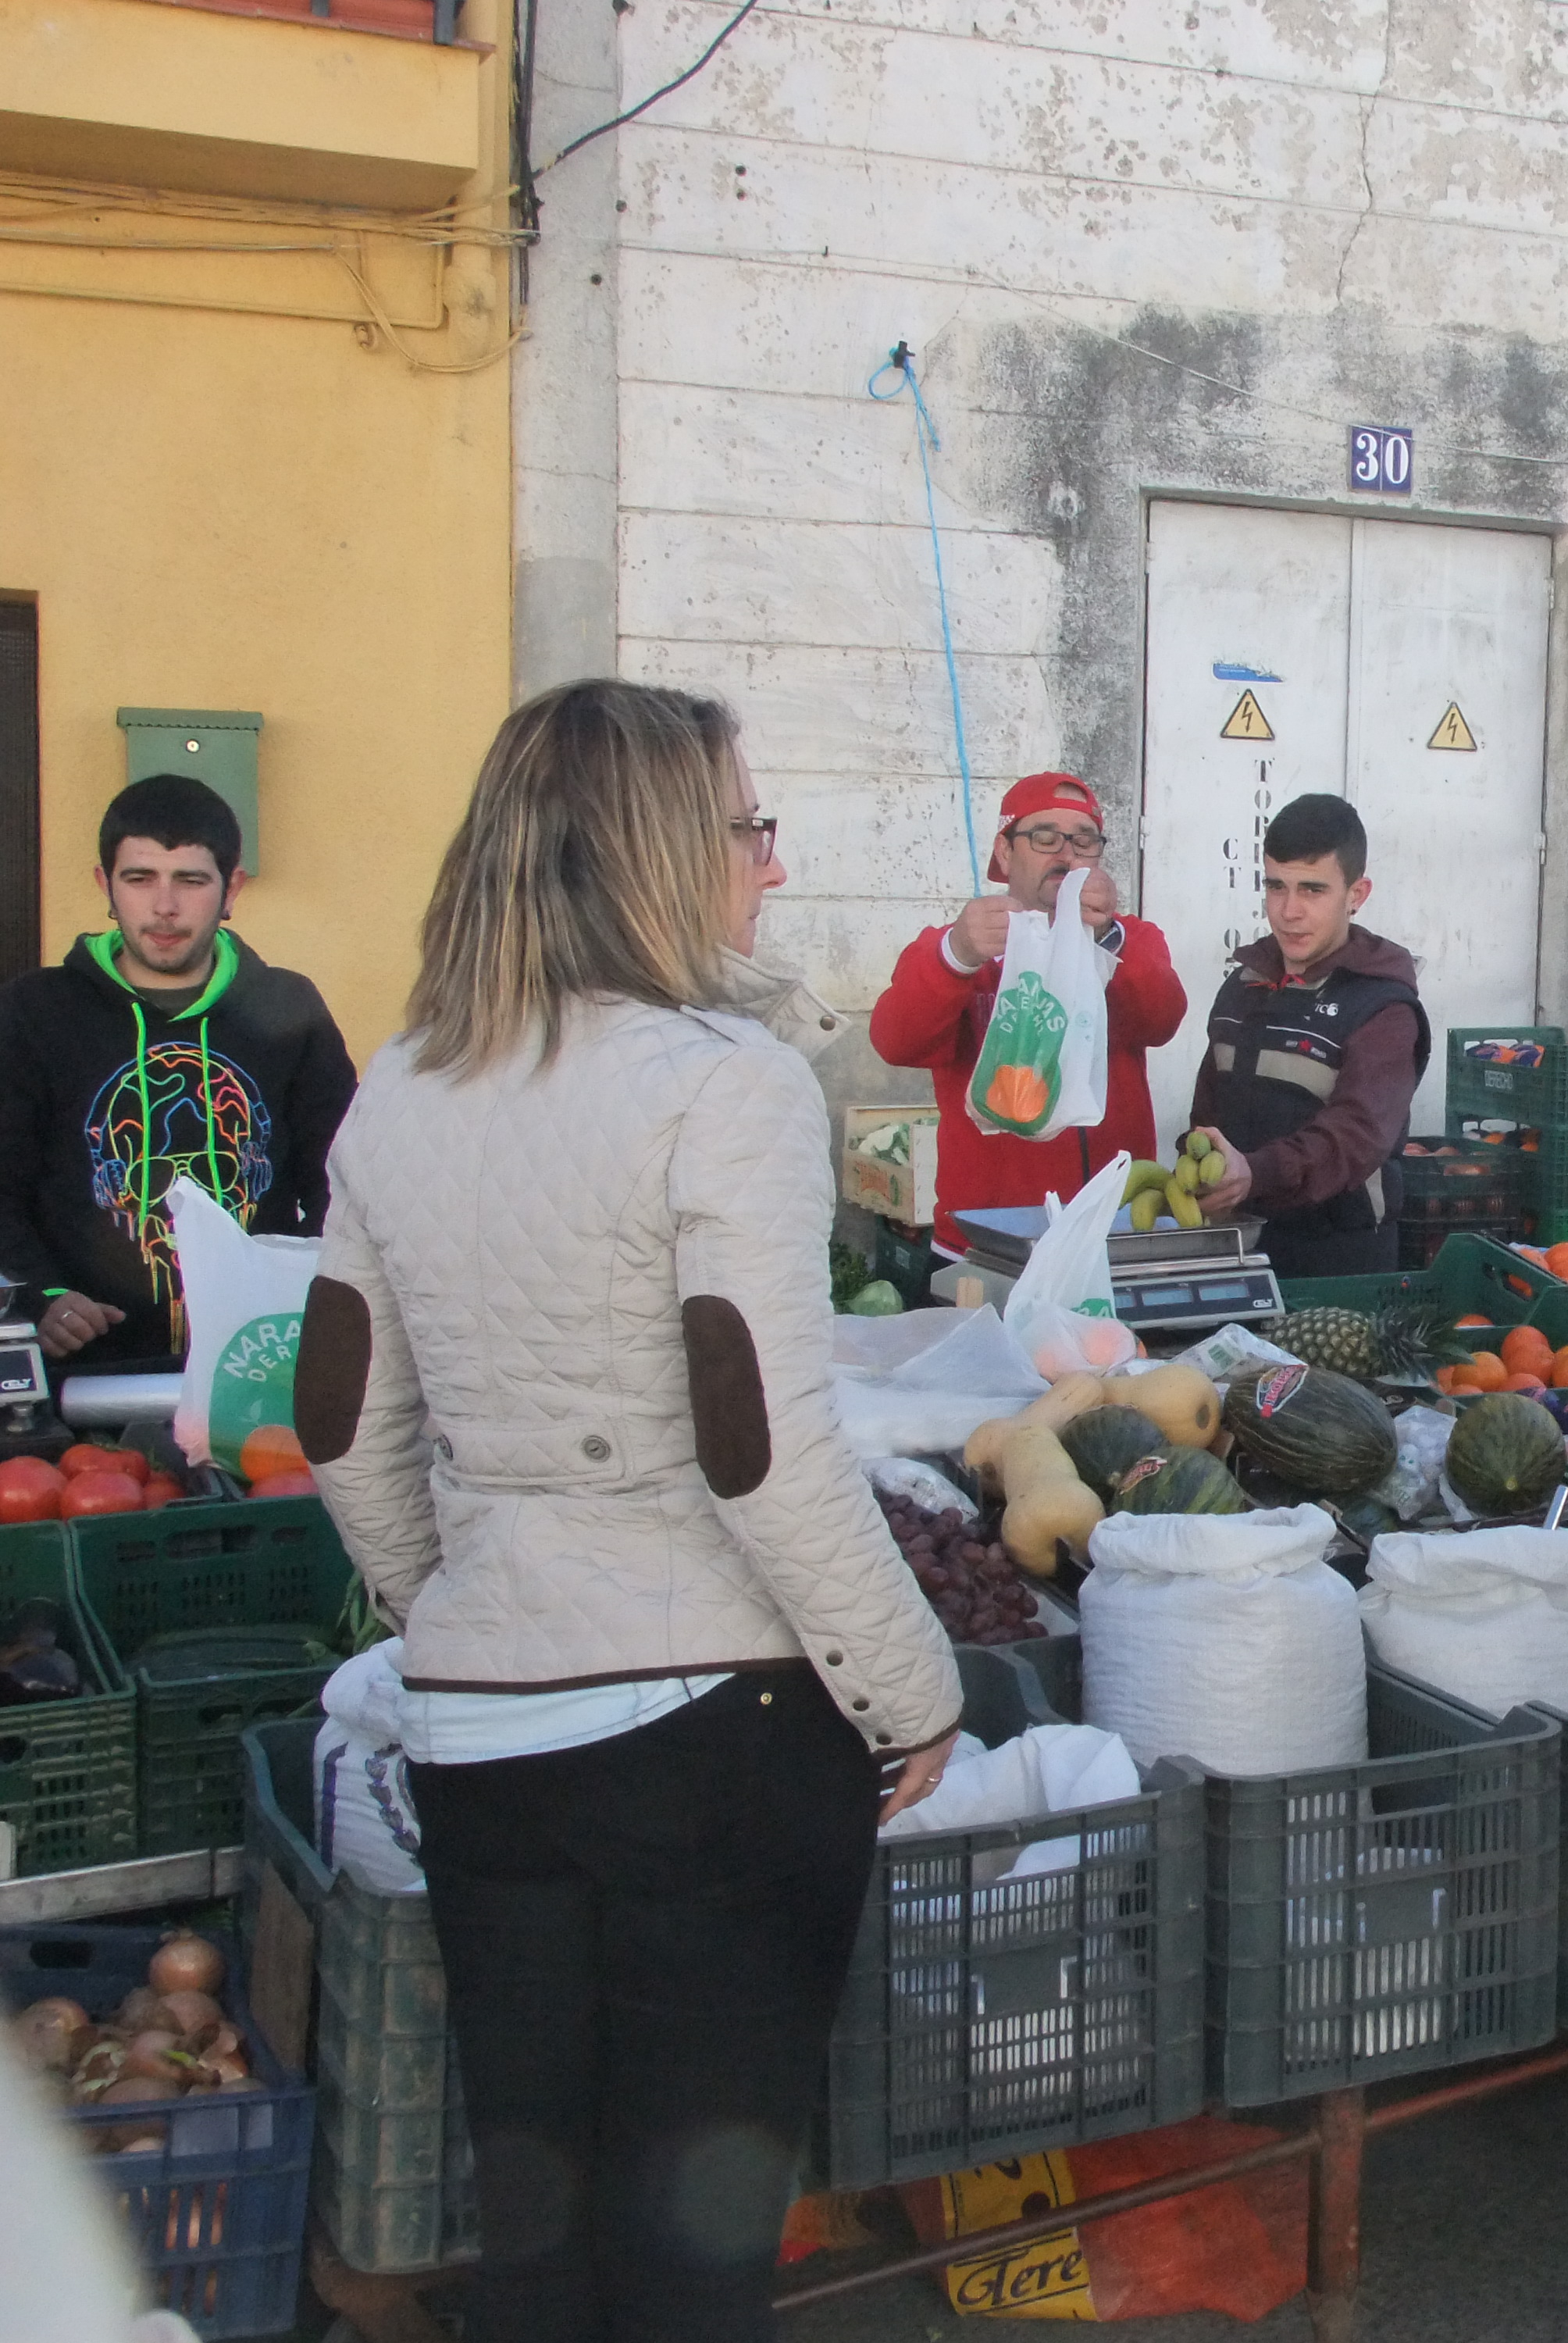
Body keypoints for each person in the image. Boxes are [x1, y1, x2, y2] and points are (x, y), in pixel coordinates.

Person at [298, 679, 960, 2343]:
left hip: (483, 1741)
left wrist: (458, 1605)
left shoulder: (405, 1085)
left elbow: (337, 1417)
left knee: (537, 2234)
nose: (773, 867)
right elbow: (762, 1449)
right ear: (665, 850)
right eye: (750, 826)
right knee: (688, 2256)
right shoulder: (724, 1084)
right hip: (711, 1743)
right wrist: (910, 1689)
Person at [0, 773, 355, 1367]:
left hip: (260, 1370)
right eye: (140, 879)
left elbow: (343, 1184)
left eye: (191, 880)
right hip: (86, 1380)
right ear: (105, 886)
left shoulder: (289, 1012)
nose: (165, 906)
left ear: (231, 886)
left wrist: (309, 1299)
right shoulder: (34, 1014)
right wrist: (44, 1298)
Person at [869, 771, 1188, 1251]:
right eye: (1044, 838)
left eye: (1083, 841)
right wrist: (955, 955)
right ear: (1004, 852)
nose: (1065, 855)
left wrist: (1107, 939)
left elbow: (1162, 1020)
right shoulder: (955, 947)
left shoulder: (1132, 940)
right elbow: (896, 1043)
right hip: (984, 1240)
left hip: (1108, 1235)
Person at [1188, 792, 1427, 1278]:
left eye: (1312, 890)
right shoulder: (1242, 986)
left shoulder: (1383, 1007)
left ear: (1356, 895)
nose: (1288, 911)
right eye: (1276, 887)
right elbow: (1209, 1107)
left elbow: (1356, 1137)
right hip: (1238, 1251)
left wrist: (1256, 1173)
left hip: (1340, 1264)